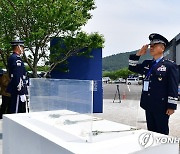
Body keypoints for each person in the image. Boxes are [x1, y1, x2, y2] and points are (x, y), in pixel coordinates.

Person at [128, 33, 179, 135]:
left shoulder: (170, 65)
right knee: (151, 132)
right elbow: (132, 67)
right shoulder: (147, 63)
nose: (151, 48)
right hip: (148, 104)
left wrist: (171, 106)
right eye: (151, 46)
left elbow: (173, 86)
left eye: (154, 46)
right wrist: (138, 54)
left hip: (162, 106)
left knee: (161, 132)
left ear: (162, 48)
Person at [7, 40, 28, 113]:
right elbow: (17, 76)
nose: (23, 49)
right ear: (18, 47)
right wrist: (21, 91)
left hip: (16, 89)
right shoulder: (16, 58)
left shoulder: (14, 57)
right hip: (17, 90)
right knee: (16, 111)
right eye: (22, 47)